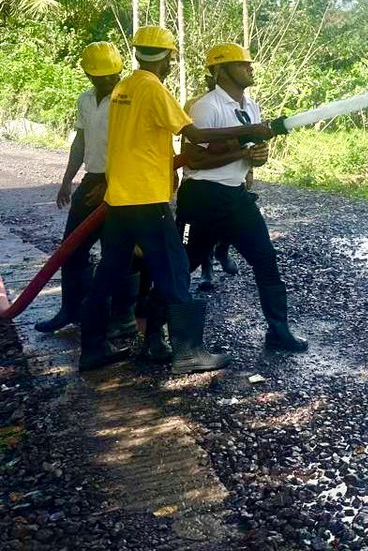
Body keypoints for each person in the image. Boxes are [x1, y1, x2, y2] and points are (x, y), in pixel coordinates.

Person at [77, 26, 277, 373]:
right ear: (167, 57)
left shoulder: (124, 87)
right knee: (176, 269)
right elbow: (196, 135)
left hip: (120, 197)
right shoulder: (154, 89)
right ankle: (188, 353)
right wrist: (249, 132)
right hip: (145, 198)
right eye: (171, 57)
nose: (171, 63)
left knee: (108, 274)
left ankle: (92, 351)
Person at [177, 42, 308, 353]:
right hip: (204, 196)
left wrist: (257, 157)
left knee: (265, 259)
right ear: (220, 70)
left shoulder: (251, 106)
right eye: (241, 64)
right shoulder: (206, 107)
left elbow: (250, 157)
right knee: (187, 262)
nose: (250, 68)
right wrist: (243, 151)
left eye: (249, 63)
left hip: (235, 195)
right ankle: (158, 327)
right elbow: (193, 161)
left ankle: (278, 331)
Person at [35, 43, 122, 334]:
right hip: (92, 181)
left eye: (114, 75)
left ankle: (111, 319)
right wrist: (66, 179)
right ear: (88, 74)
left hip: (122, 184)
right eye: (103, 77)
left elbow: (132, 148)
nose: (110, 81)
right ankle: (70, 310)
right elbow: (80, 142)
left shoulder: (127, 100)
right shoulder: (85, 100)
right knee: (71, 248)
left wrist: (111, 183)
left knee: (117, 254)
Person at [184, 73, 239, 291]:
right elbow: (187, 145)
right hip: (201, 181)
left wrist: (249, 170)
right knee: (192, 231)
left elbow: (247, 141)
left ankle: (223, 253)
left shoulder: (237, 105)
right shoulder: (194, 105)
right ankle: (206, 271)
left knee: (229, 225)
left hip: (231, 176)